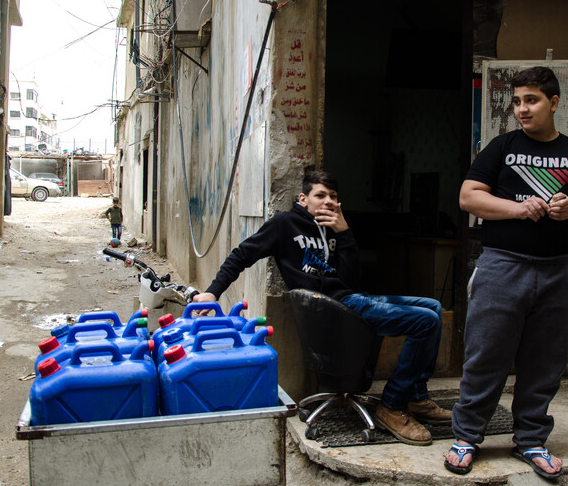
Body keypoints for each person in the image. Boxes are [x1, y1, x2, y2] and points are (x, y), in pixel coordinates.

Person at [193, 169, 451, 445]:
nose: (328, 201)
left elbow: (351, 280)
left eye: (334, 196)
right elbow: (241, 255)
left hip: (352, 300)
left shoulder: (335, 229)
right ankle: (392, 404)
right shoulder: (284, 224)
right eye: (321, 195)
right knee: (424, 322)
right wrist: (212, 292)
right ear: (303, 198)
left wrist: (345, 233)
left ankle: (416, 397)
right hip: (332, 309)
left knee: (433, 307)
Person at [445, 66, 568, 479]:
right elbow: (468, 197)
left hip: (561, 271)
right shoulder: (501, 147)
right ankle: (466, 437)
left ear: (553, 102)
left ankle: (531, 440)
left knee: (546, 361)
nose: (521, 109)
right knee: (486, 355)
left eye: (531, 100)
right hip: (503, 266)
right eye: (517, 101)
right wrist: (519, 208)